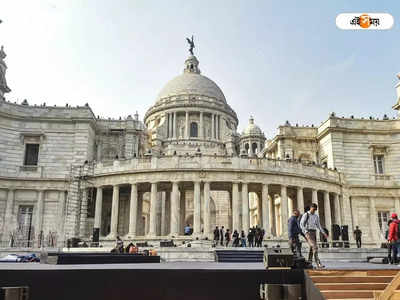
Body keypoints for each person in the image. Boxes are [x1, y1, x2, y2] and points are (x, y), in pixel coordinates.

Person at [300, 203, 328, 269]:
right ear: (310, 208)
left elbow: (319, 226)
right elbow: (301, 224)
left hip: (314, 232)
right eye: (313, 209)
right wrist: (305, 232)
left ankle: (309, 263)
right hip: (308, 232)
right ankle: (318, 263)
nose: (314, 211)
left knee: (312, 248)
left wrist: (323, 233)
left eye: (315, 210)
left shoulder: (316, 216)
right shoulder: (306, 215)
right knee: (314, 247)